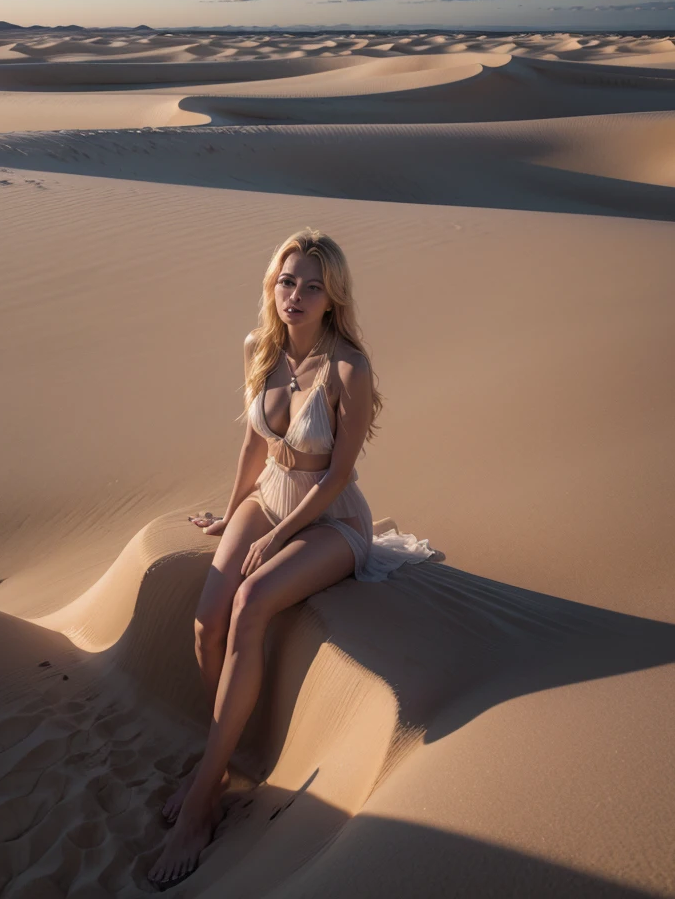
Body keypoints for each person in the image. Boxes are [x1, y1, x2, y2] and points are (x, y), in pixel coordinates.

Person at [148, 227, 438, 886]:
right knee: (205, 621)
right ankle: (222, 759)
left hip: (329, 522)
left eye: (312, 286)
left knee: (251, 604)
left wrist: (276, 539)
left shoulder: (348, 368)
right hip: (267, 500)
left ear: (333, 298)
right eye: (287, 281)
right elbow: (254, 447)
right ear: (271, 287)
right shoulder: (261, 347)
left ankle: (201, 800)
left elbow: (337, 477)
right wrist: (235, 513)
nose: (296, 295)